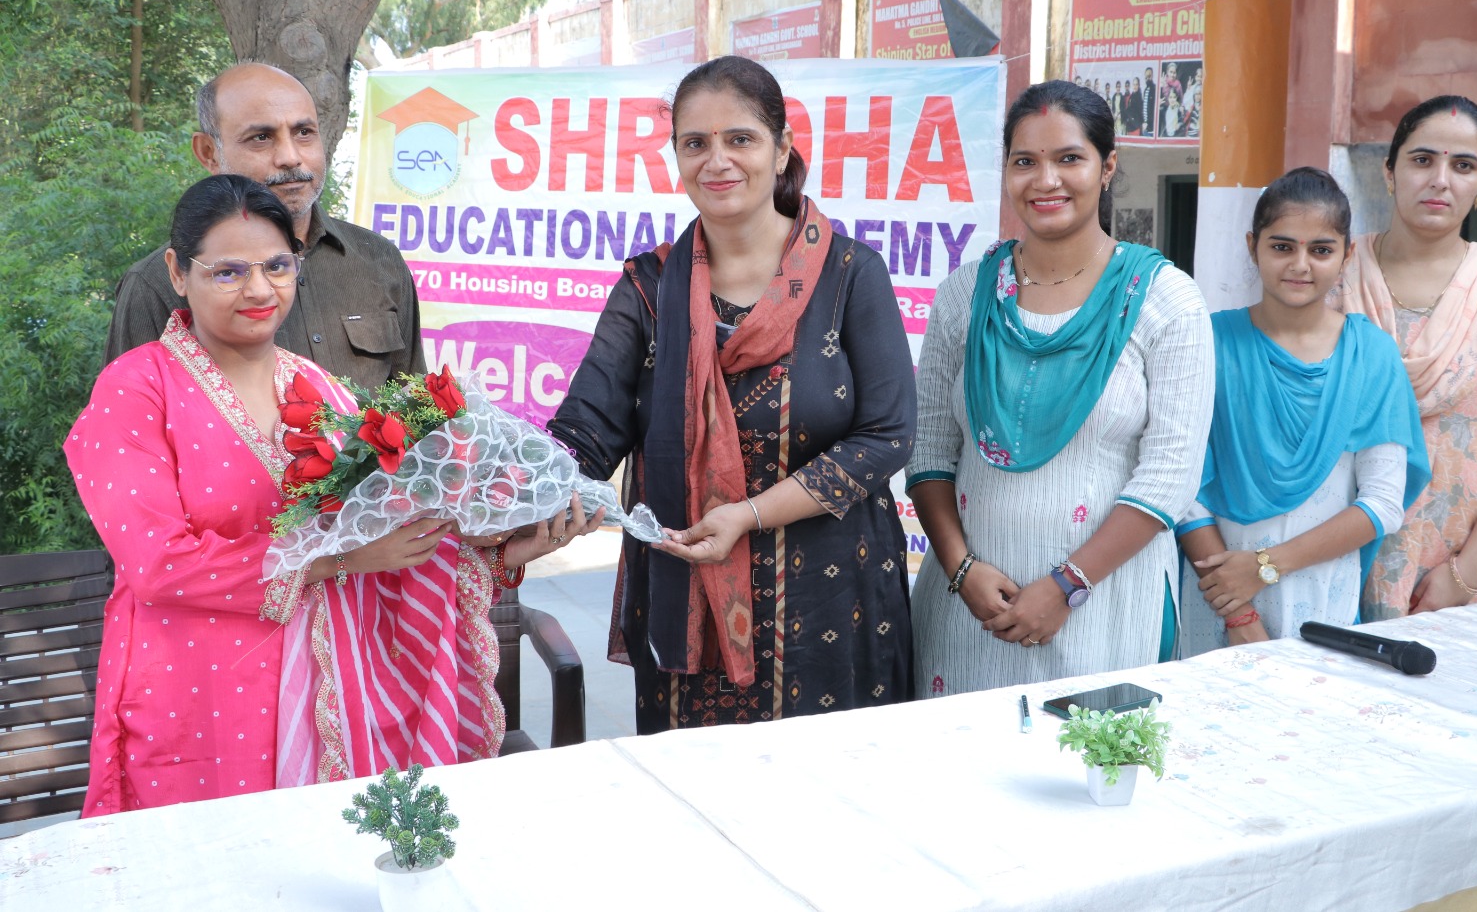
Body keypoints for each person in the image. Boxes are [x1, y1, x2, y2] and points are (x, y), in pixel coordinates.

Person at [65, 175, 583, 814]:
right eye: (227, 272)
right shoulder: (137, 390)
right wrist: (333, 561)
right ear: (177, 271)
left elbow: (378, 548)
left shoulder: (320, 391)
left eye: (277, 266)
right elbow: (158, 564)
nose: (260, 290)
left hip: (325, 695)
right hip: (199, 691)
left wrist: (500, 554)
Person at [548, 56, 916, 733]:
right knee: (690, 791)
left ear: (782, 149)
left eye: (739, 138)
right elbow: (587, 429)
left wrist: (748, 515)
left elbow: (887, 436)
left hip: (831, 598)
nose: (716, 161)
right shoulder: (647, 288)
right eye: (696, 143)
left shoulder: (850, 275)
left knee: (828, 786)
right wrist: (519, 479)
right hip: (687, 595)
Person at [907, 80, 1213, 696]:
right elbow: (930, 452)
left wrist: (1066, 586)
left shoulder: (1165, 300)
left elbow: (1169, 478)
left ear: (1108, 167)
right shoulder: (965, 295)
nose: (1046, 180)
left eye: (1069, 158)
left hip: (1105, 611)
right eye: (1025, 162)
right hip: (967, 610)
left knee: (1089, 754)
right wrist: (961, 570)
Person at [1175, 168, 1429, 655]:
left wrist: (1265, 567)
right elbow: (1184, 490)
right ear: (1253, 246)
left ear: (1346, 255)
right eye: (1282, 246)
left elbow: (1382, 502)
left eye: (1321, 250)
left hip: (1323, 599)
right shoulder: (1208, 342)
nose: (1300, 265)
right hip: (1217, 596)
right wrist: (1238, 612)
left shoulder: (1371, 355)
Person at [1340, 96, 1477, 620]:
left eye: (1463, 166)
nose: (1440, 180)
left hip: (1446, 577)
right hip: (1326, 556)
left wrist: (1466, 573)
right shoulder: (1334, 273)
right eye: (1422, 160)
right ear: (1390, 171)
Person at [103, 63, 423, 390]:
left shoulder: (377, 259)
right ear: (209, 153)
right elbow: (129, 410)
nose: (290, 157)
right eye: (261, 137)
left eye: (303, 132)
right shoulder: (159, 283)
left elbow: (416, 406)